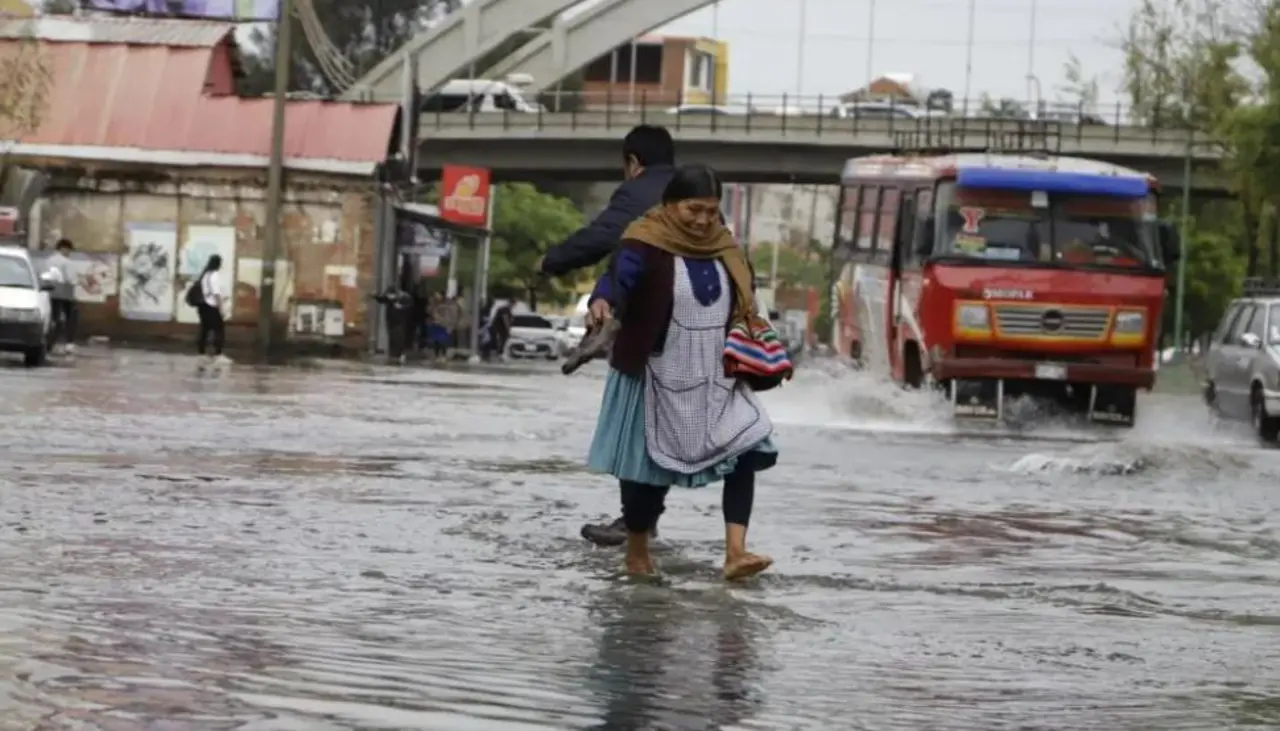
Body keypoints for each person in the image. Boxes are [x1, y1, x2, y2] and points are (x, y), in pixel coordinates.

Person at [585, 164, 778, 581]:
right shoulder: (644, 241)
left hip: (716, 372)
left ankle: (736, 552)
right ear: (670, 204)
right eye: (694, 209)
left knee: (747, 445)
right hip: (653, 370)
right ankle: (637, 553)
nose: (704, 220)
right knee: (644, 468)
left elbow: (745, 296)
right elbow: (619, 277)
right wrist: (603, 301)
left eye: (711, 210)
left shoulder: (726, 248)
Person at [538, 124, 678, 547]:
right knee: (658, 427)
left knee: (630, 424)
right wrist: (604, 292)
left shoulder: (638, 193)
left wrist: (552, 261)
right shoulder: (695, 196)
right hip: (693, 330)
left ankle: (635, 522)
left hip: (648, 327)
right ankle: (647, 520)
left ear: (633, 163)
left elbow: (606, 239)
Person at [43, 238, 77, 354]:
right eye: (69, 250)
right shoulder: (66, 262)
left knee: (53, 318)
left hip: (50, 294)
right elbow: (71, 279)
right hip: (65, 294)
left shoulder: (48, 261)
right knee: (71, 318)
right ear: (64, 249)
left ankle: (48, 343)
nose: (69, 253)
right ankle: (69, 343)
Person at [195, 254, 229, 364]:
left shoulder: (205, 275)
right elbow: (216, 294)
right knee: (219, 330)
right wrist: (221, 308)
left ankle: (201, 354)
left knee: (204, 330)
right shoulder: (214, 275)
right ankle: (218, 355)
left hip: (203, 306)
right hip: (211, 306)